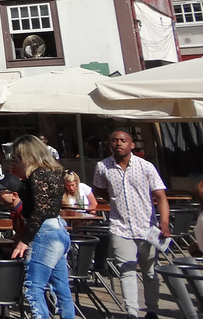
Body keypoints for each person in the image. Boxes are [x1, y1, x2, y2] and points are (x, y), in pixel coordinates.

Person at [93, 128, 169, 319]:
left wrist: (165, 223)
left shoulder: (146, 167)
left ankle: (152, 309)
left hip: (146, 227)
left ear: (131, 144)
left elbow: (161, 196)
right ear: (110, 144)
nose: (118, 143)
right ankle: (132, 312)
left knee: (149, 271)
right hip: (120, 228)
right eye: (114, 140)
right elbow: (98, 189)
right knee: (126, 270)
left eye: (123, 140)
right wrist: (114, 198)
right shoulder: (103, 167)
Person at [9, 134, 75, 319]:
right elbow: (39, 202)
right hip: (58, 229)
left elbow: (38, 211)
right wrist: (22, 180)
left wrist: (24, 240)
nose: (18, 160)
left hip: (44, 233)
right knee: (61, 288)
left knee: (33, 288)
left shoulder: (38, 174)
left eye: (20, 156)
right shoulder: (53, 172)